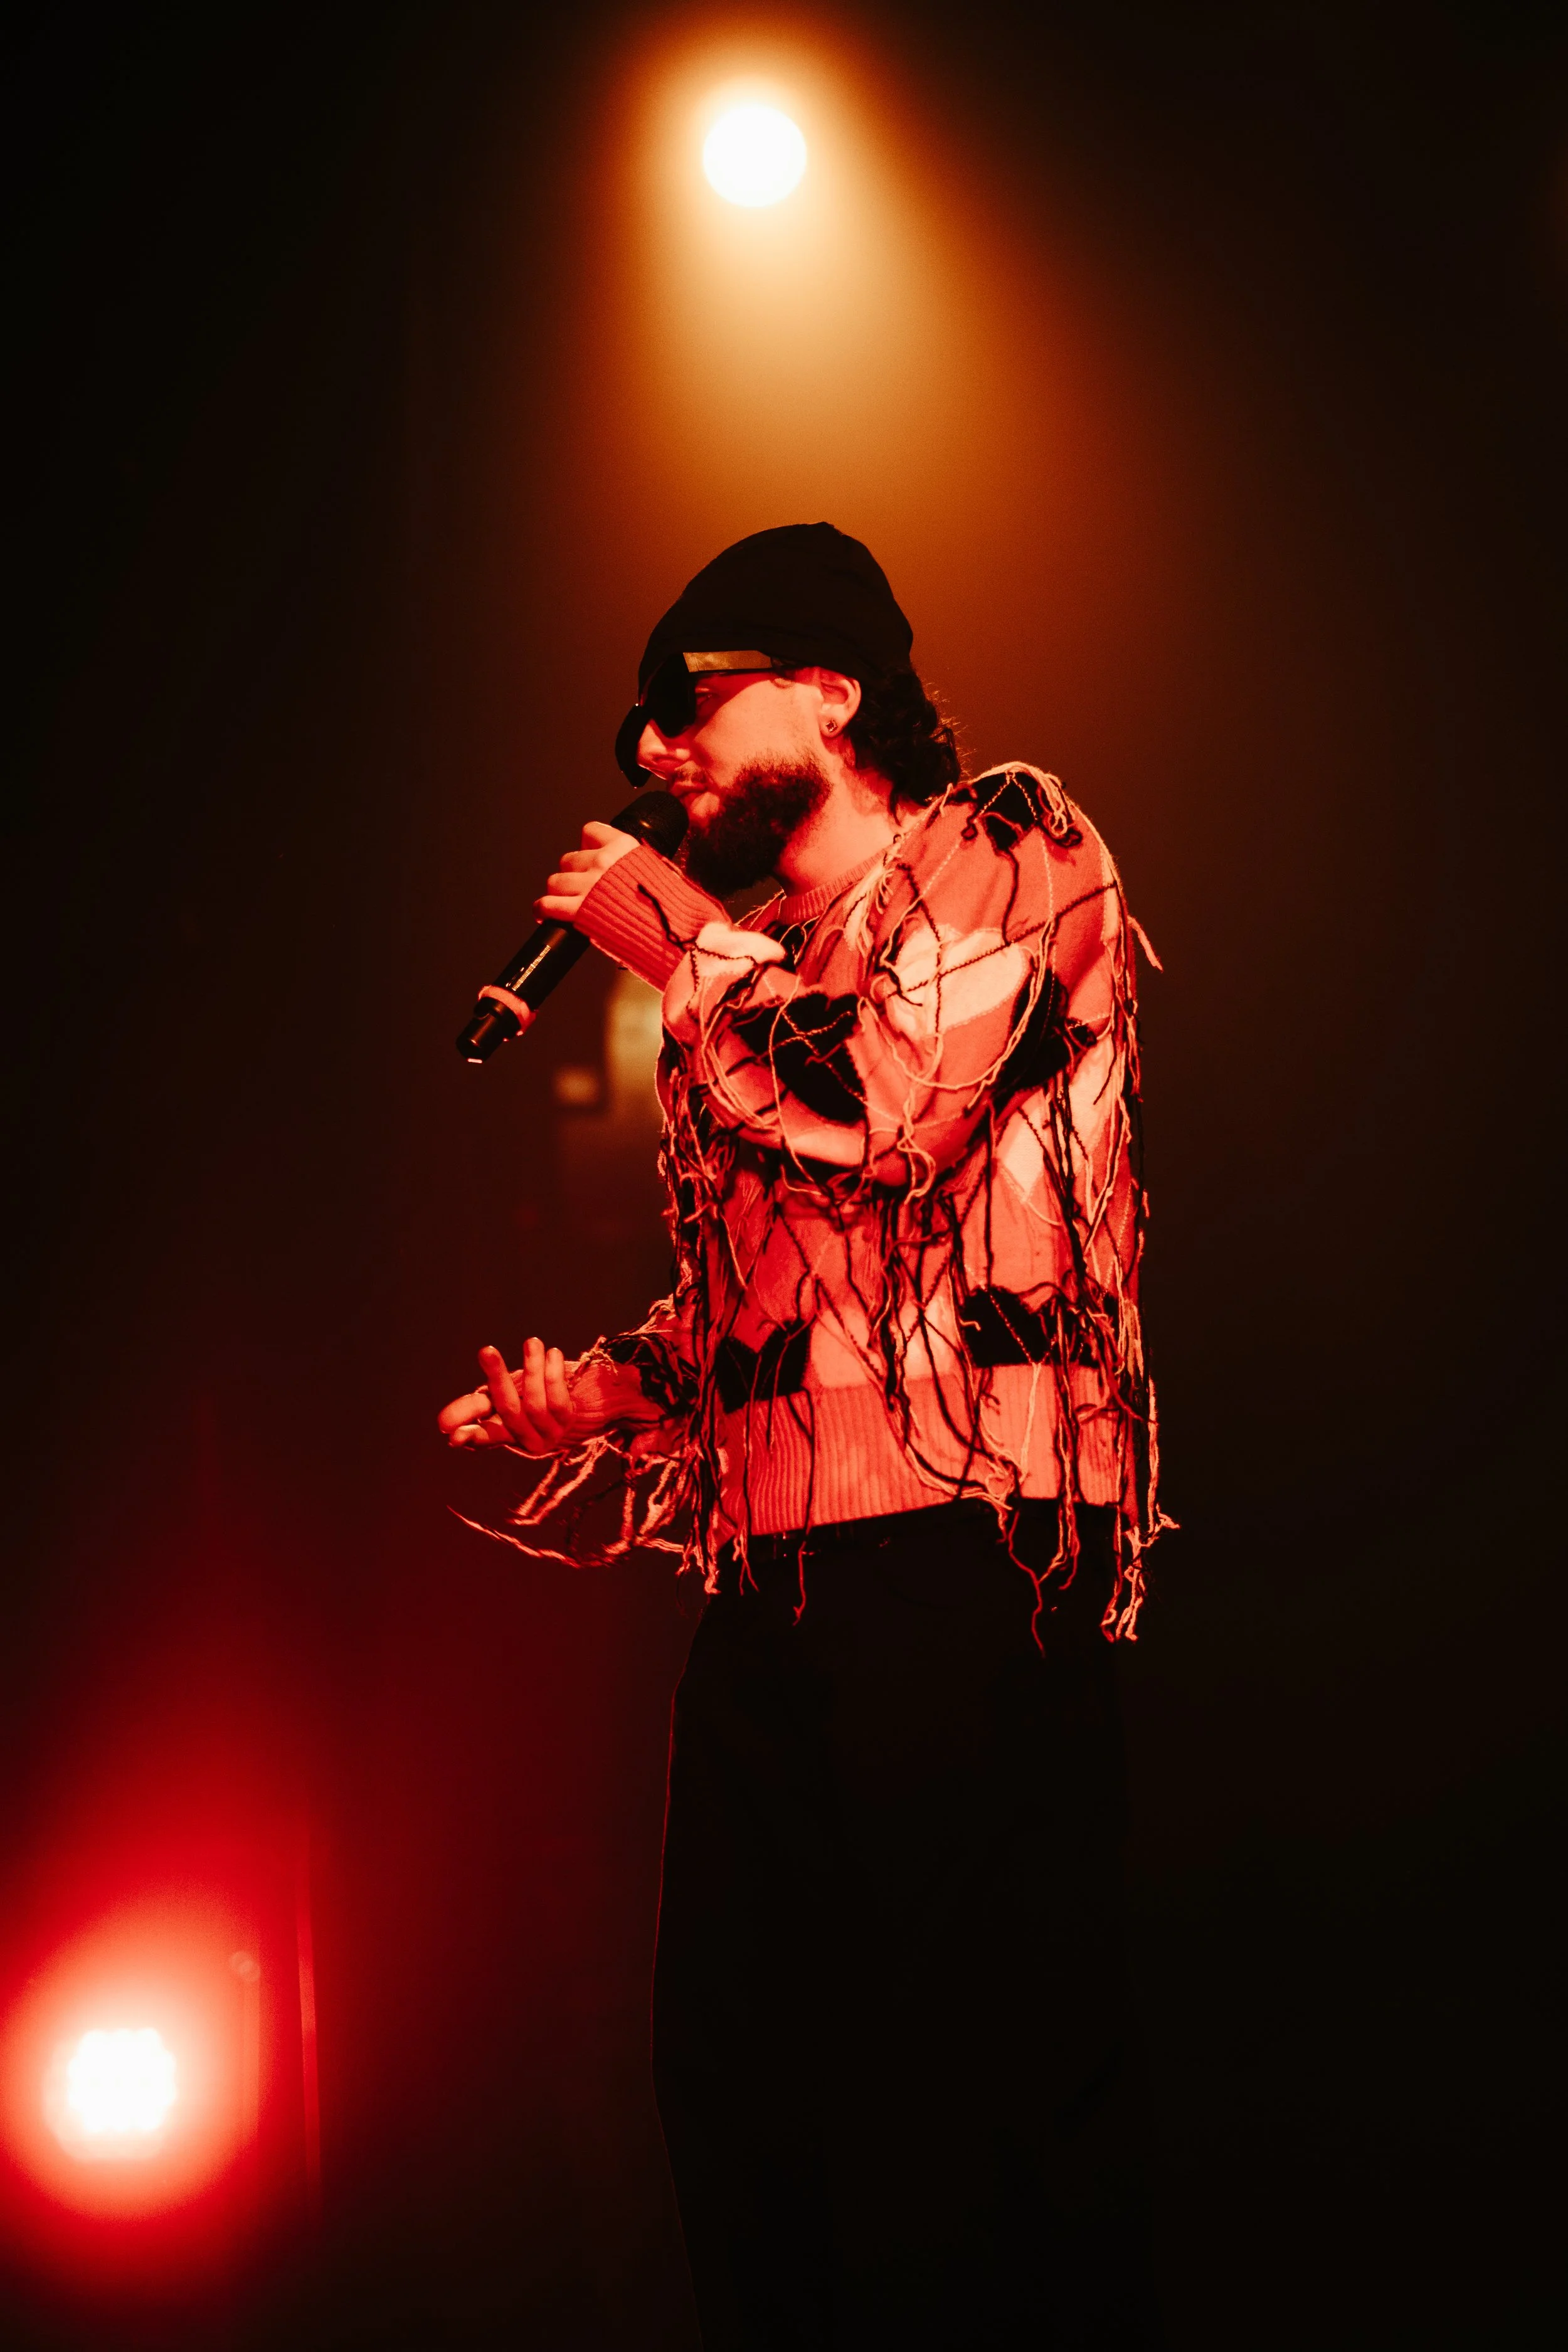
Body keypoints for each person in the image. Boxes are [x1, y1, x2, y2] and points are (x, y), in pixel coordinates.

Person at [439, 522, 1168, 2348]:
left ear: (831, 694)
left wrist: (671, 947)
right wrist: (614, 1387)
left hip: (967, 1572)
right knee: (745, 2099)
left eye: (688, 708)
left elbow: (894, 1110)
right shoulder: (766, 970)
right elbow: (795, 1289)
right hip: (779, 1595)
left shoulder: (1013, 848)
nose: (654, 758)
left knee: (977, 2112)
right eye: (641, 733)